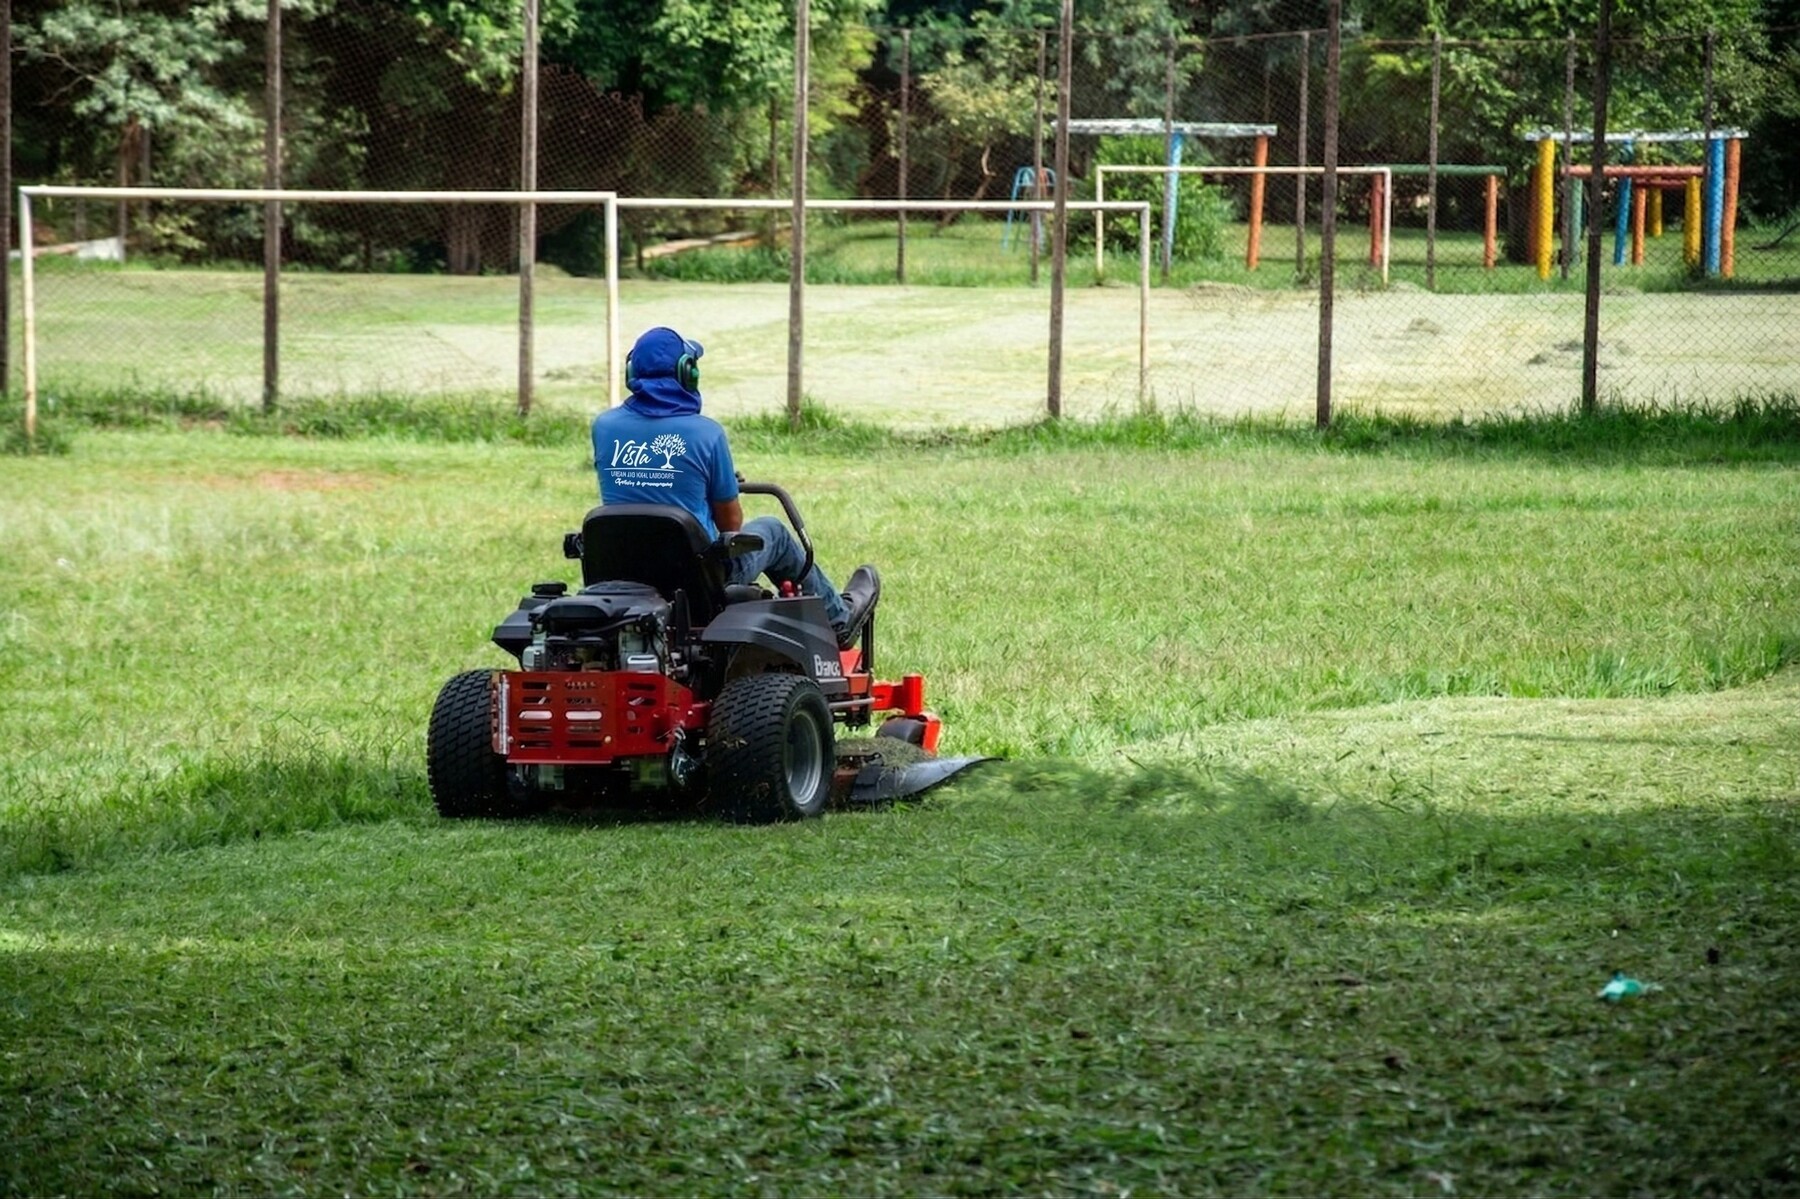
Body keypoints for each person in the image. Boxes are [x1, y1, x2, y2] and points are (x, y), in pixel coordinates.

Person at [592, 326, 877, 648]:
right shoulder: (707, 434)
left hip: (623, 572)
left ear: (631, 372)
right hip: (699, 580)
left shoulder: (603, 426)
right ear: (689, 373)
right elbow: (731, 524)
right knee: (774, 530)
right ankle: (838, 620)